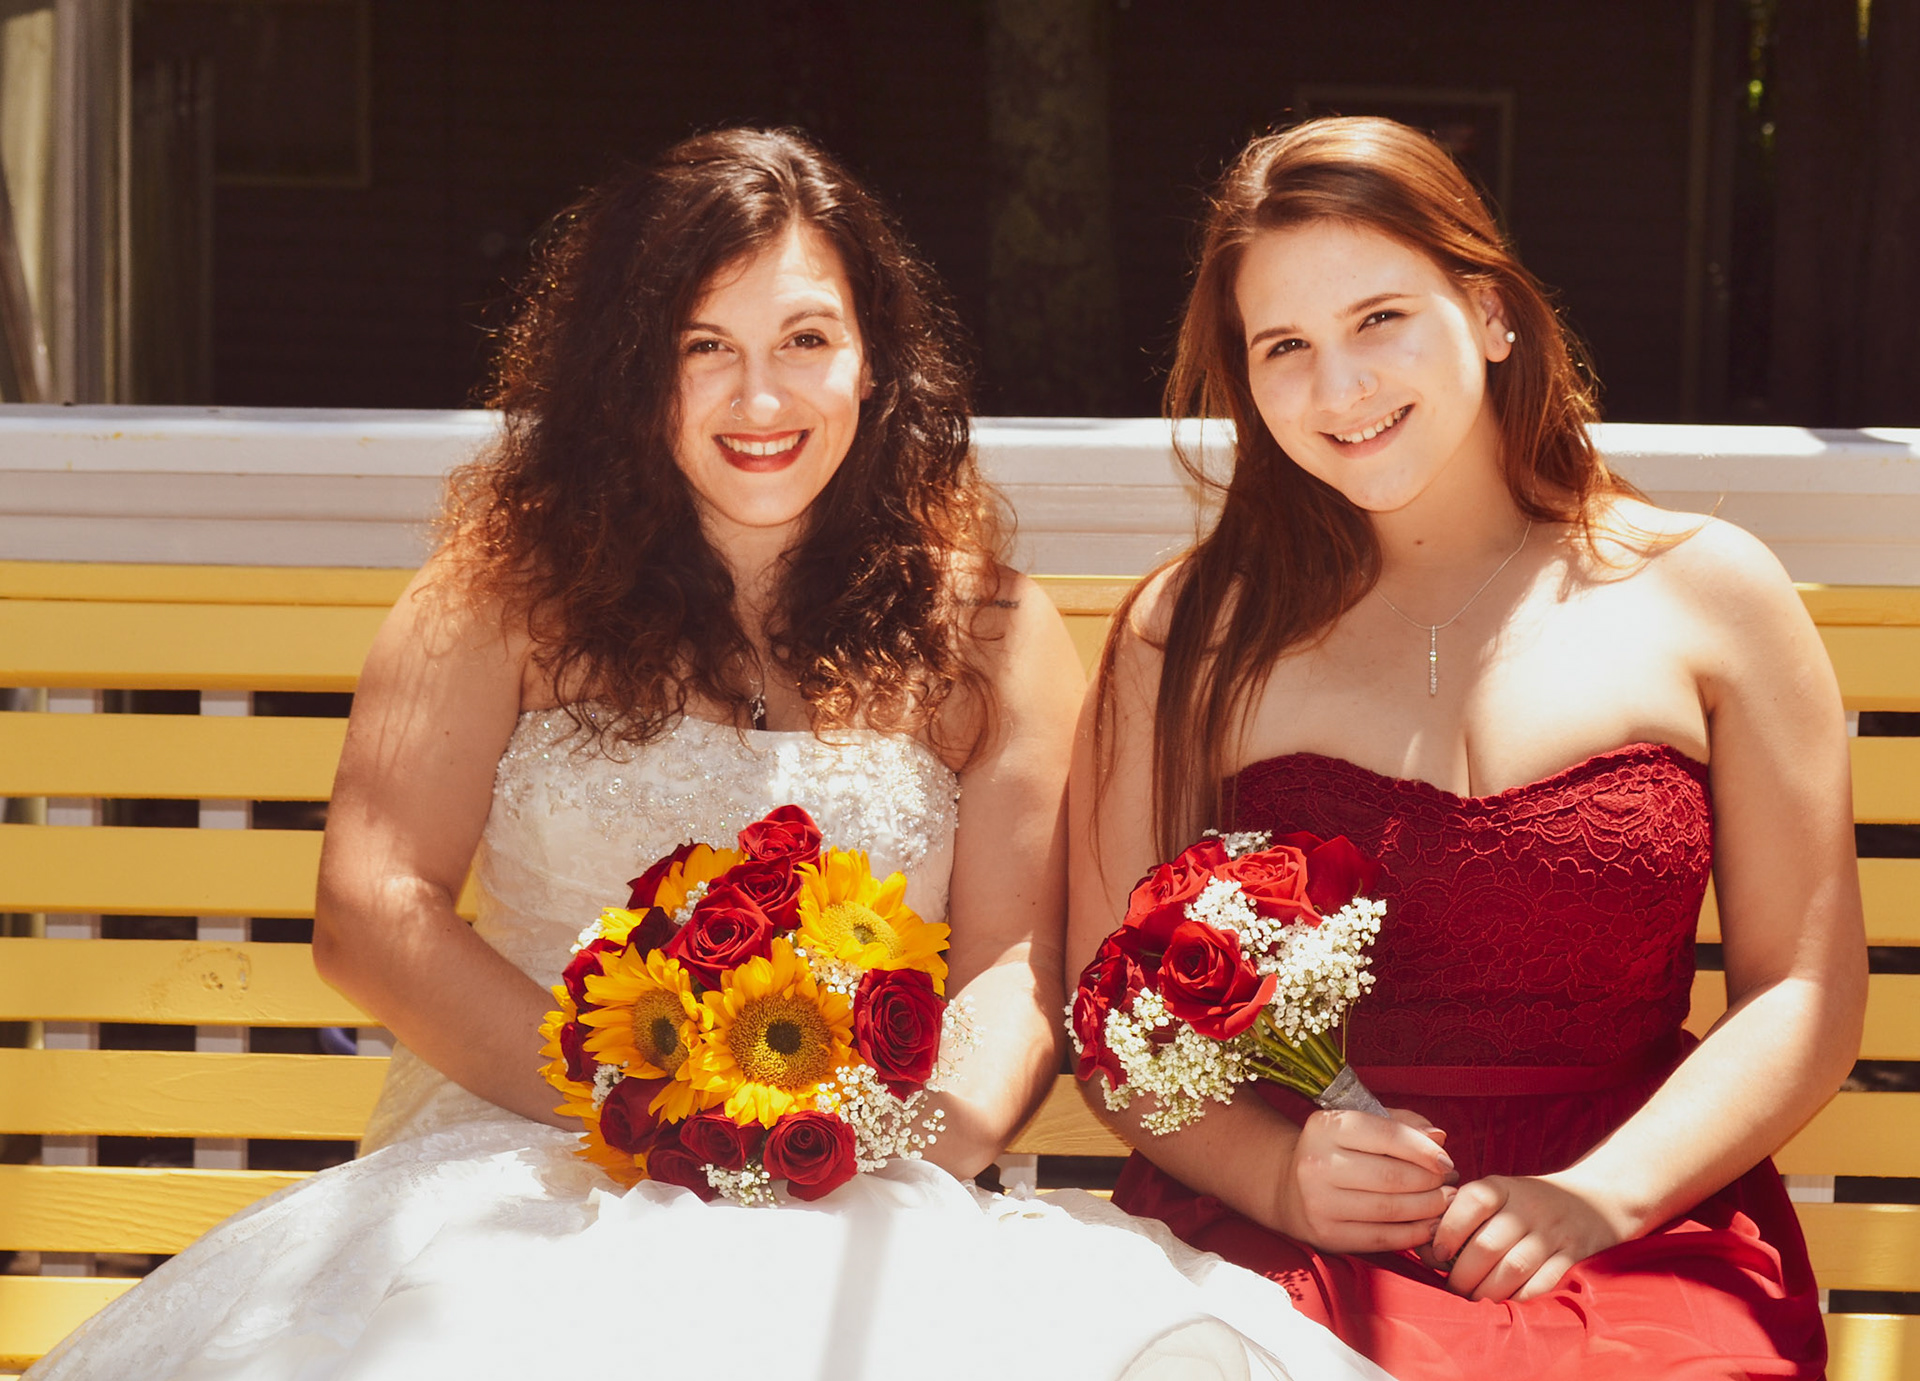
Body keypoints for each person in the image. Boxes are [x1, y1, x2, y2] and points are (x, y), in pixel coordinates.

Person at [29, 128, 1390, 1381]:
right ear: (631, 367)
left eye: (807, 338)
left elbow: (1015, 960)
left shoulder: (986, 632)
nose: (762, 395)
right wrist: (652, 1113)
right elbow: (372, 909)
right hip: (536, 1161)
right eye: (703, 346)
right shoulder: (497, 599)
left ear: (874, 361)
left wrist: (910, 1140)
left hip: (858, 1179)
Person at [1069, 116, 1866, 1379]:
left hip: (1636, 1221)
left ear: (1491, 313)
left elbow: (1804, 990)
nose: (1341, 387)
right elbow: (1110, 1018)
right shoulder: (1188, 635)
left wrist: (1603, 1195)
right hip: (1291, 1231)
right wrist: (1277, 1175)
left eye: (1380, 318)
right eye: (1286, 346)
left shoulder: (1710, 594)